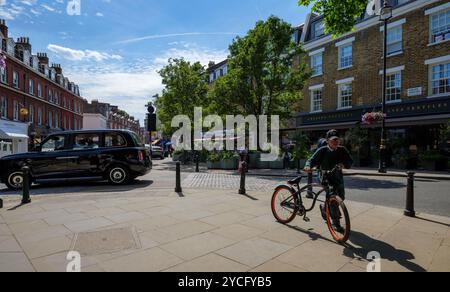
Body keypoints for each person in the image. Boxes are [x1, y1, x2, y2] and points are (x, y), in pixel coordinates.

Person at [304, 130, 353, 230]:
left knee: (341, 197)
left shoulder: (342, 150)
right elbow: (311, 160)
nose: (335, 142)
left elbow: (350, 161)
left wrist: (343, 165)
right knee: (333, 198)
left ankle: (324, 208)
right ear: (327, 141)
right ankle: (336, 223)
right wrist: (308, 166)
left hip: (337, 176)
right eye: (333, 140)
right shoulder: (322, 150)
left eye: (337, 140)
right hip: (324, 176)